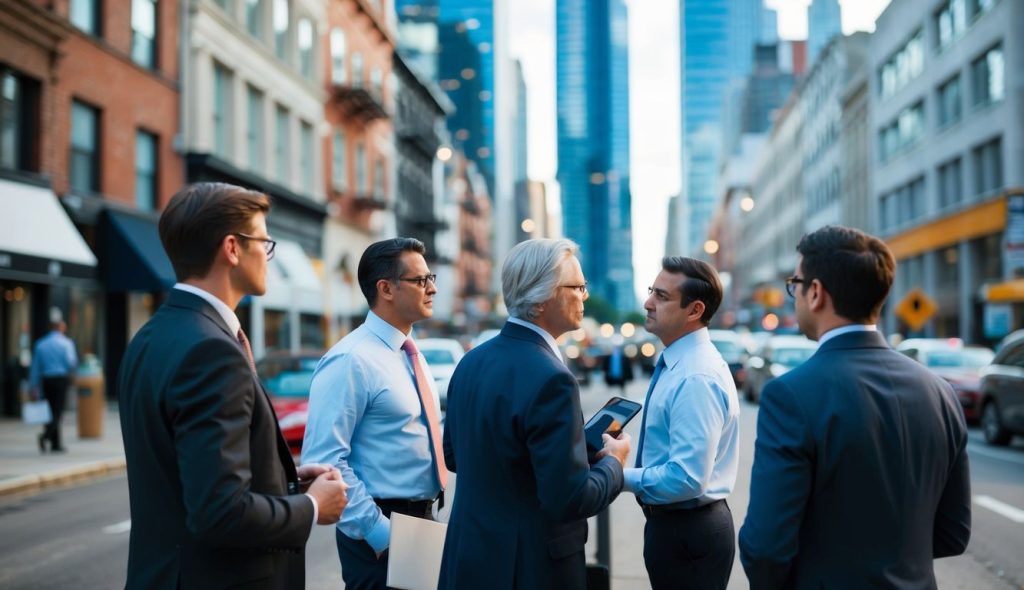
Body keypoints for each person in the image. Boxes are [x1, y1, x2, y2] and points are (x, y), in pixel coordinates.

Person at [118, 182, 348, 589]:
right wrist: (312, 507)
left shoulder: (150, 337)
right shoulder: (212, 352)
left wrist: (286, 480)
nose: (268, 256)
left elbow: (189, 472)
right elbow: (220, 511)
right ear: (232, 248)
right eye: (264, 241)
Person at [739, 225, 971, 589]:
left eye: (795, 285)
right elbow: (953, 533)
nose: (793, 295)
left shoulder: (790, 394)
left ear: (815, 293)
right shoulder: (940, 392)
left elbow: (765, 547)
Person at [439, 238, 630, 589]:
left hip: (469, 557)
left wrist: (571, 450)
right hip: (528, 568)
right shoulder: (552, 378)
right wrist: (614, 463)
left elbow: (455, 457)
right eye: (577, 286)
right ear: (542, 297)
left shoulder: (471, 361)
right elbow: (570, 498)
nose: (585, 295)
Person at [302, 237, 446, 589]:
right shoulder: (351, 360)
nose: (433, 288)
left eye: (432, 278)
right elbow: (325, 459)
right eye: (420, 280)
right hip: (378, 531)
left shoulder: (411, 353)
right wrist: (380, 533)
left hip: (422, 522)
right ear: (386, 289)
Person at [627, 257, 740, 590]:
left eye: (662, 297)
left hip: (689, 532)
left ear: (694, 311)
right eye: (651, 291)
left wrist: (618, 474)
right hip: (679, 528)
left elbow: (686, 478)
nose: (648, 303)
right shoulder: (681, 363)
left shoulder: (695, 376)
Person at [29, 311, 77, 453]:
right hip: (60, 379)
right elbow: (72, 363)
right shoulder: (66, 343)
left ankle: (55, 444)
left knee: (48, 410)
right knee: (57, 411)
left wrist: (33, 386)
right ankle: (46, 436)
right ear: (61, 327)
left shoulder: (41, 344)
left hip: (46, 380)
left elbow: (35, 367)